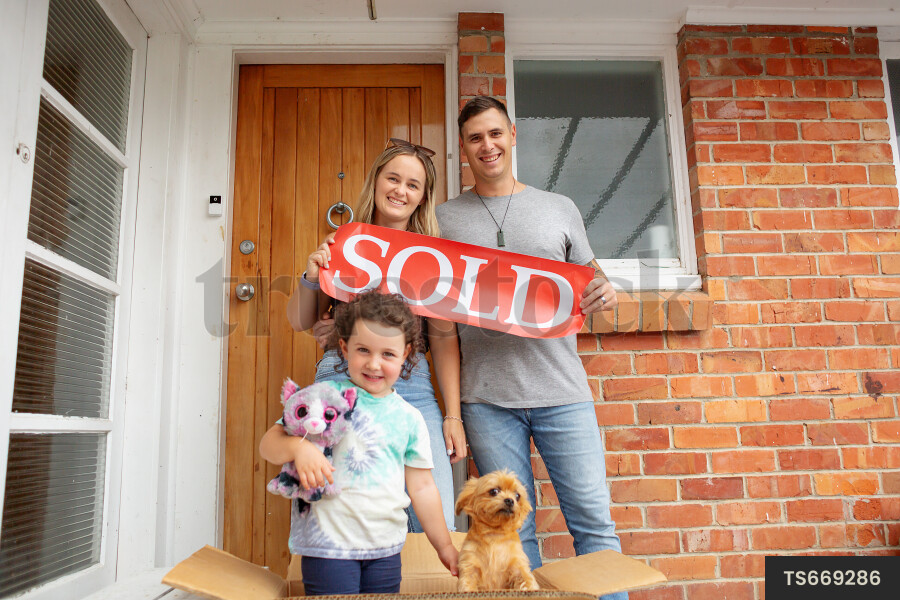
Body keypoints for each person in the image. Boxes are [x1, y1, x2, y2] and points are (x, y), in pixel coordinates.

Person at [435, 96, 626, 600]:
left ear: (513, 135)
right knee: (514, 535)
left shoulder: (558, 207)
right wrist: (453, 413)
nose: (487, 145)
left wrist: (606, 292)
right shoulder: (442, 221)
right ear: (462, 147)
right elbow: (440, 328)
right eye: (475, 137)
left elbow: (593, 280)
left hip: (563, 391)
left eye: (495, 133)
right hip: (487, 400)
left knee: (594, 523)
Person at [283, 139, 465, 532]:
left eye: (413, 185)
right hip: (341, 377)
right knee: (338, 514)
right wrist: (312, 277)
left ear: (422, 198)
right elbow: (299, 321)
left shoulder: (433, 257)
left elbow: (446, 339)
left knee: (435, 519)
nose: (400, 190)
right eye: (393, 178)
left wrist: (452, 415)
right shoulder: (346, 243)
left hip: (413, 385)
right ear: (377, 181)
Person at [260, 290, 459, 595]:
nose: (374, 364)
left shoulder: (409, 417)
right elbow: (269, 444)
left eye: (388, 354)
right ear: (344, 347)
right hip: (328, 549)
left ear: (406, 354)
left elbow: (422, 487)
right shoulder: (324, 398)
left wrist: (444, 546)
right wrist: (298, 448)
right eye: (363, 350)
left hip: (385, 551)